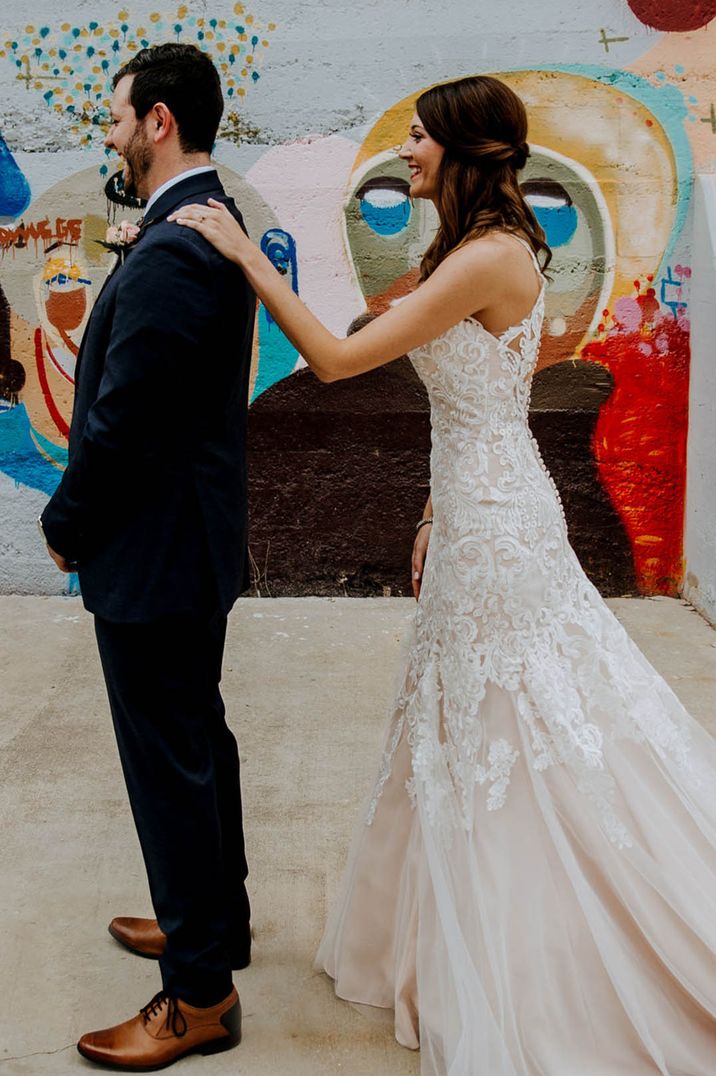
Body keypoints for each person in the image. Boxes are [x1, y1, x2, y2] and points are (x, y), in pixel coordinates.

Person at [173, 75, 716, 1074]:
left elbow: (336, 362)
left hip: (500, 529)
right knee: (465, 729)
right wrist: (430, 509)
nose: (406, 151)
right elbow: (481, 404)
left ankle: (549, 954)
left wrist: (248, 251)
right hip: (476, 508)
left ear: (462, 151)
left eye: (418, 137)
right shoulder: (477, 253)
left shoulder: (484, 258)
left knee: (515, 732)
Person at [39, 43, 254, 1070]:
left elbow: (125, 420)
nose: (111, 134)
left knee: (168, 764)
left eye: (119, 117)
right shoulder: (197, 223)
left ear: (159, 119)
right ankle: (215, 924)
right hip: (184, 546)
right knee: (195, 742)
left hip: (155, 553)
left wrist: (68, 520)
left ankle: (200, 994)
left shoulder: (174, 245)